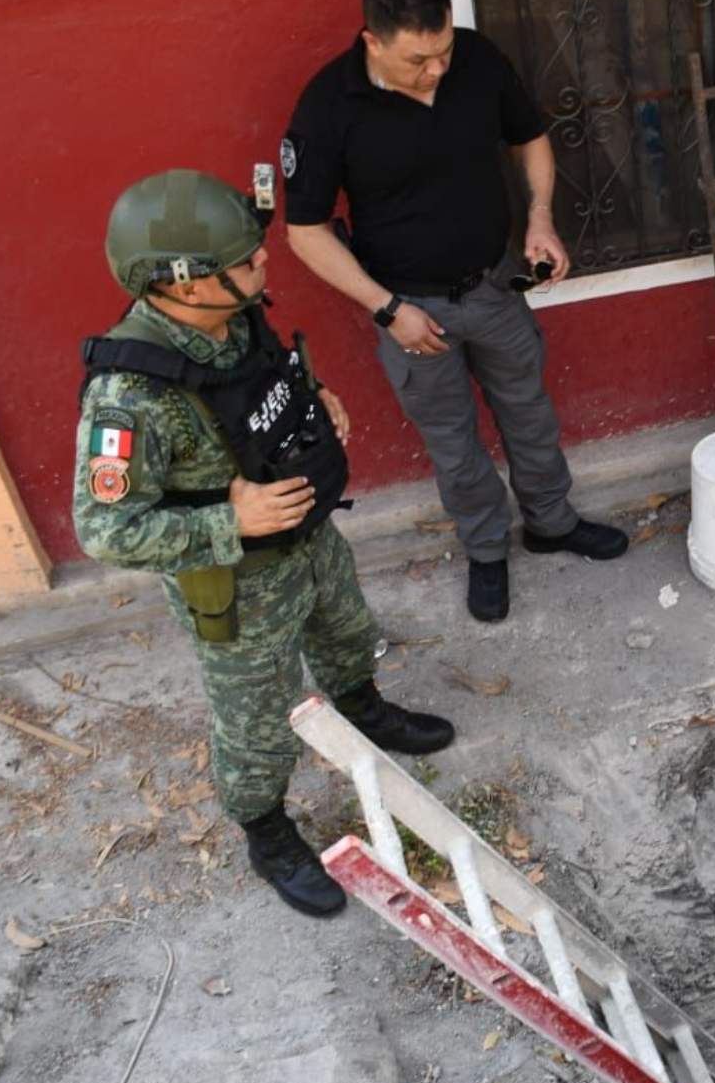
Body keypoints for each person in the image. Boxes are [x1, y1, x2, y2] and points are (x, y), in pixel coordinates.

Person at [75, 168, 456, 918]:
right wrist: (230, 520)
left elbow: (262, 385)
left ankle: (364, 709)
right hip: (238, 588)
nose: (264, 265)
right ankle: (266, 828)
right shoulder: (129, 397)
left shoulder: (234, 316)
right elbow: (104, 529)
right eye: (246, 260)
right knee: (257, 722)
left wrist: (313, 398)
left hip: (311, 539)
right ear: (183, 285)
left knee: (349, 630)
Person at [281, 0, 627, 624]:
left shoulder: (476, 59)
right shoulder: (329, 104)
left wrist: (540, 218)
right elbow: (306, 232)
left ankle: (552, 522)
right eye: (418, 60)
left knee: (529, 411)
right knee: (452, 439)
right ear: (373, 41)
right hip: (412, 310)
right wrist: (387, 309)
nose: (436, 69)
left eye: (442, 51)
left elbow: (530, 139)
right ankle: (488, 550)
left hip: (495, 287)